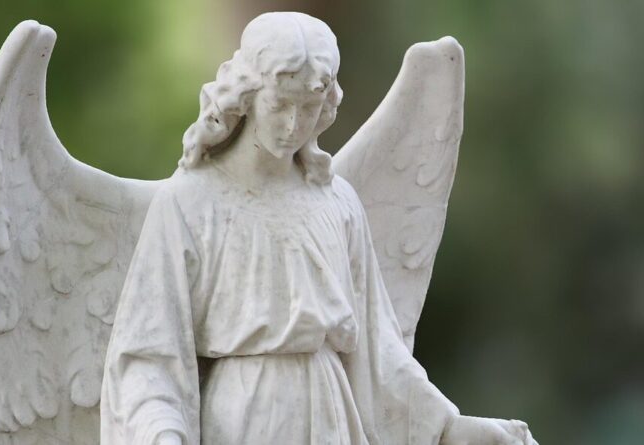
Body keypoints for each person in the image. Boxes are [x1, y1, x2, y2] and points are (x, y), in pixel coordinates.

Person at [100, 12, 534, 445]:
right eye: (280, 105)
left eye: (308, 108)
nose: (293, 125)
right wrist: (161, 435)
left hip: (332, 415)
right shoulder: (190, 202)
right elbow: (149, 356)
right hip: (245, 418)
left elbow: (378, 355)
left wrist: (448, 428)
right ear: (246, 96)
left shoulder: (337, 201)